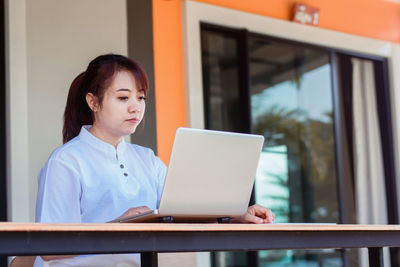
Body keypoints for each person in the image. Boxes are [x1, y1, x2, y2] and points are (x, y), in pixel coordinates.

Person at [34, 54, 274, 267]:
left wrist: (235, 216)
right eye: (123, 98)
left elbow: (184, 211)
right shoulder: (66, 161)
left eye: (140, 98)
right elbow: (51, 248)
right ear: (93, 102)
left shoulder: (146, 159)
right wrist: (118, 225)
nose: (135, 108)